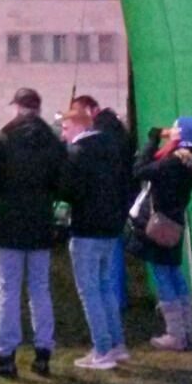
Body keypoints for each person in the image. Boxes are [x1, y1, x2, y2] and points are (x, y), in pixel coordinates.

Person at [0, 87, 66, 379]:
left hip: (11, 223)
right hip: (41, 223)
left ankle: (7, 355)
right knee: (40, 290)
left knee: (9, 292)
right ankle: (43, 354)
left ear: (17, 107)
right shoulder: (53, 141)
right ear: (38, 109)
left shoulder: (5, 137)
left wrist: (4, 187)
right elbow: (63, 181)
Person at [126, 117, 192, 351]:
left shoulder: (172, 163)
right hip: (176, 222)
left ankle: (175, 334)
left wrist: (152, 140)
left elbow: (140, 170)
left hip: (159, 224)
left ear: (180, 133)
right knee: (174, 273)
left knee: (163, 275)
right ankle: (186, 330)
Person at [60, 103, 129, 369]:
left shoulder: (78, 152)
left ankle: (102, 350)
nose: (63, 134)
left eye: (66, 128)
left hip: (87, 229)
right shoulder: (112, 148)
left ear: (79, 126)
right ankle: (117, 344)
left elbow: (69, 191)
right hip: (110, 228)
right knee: (105, 288)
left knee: (90, 291)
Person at [72, 94, 134, 307]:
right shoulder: (114, 128)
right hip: (119, 197)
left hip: (108, 201)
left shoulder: (102, 134)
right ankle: (116, 298)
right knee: (112, 251)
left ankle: (114, 300)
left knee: (109, 256)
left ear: (90, 111)